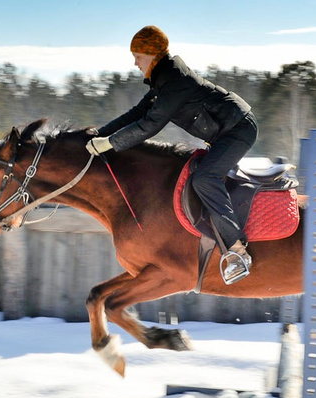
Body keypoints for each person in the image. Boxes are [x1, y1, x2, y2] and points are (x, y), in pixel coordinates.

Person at [85, 25, 258, 285]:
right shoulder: (163, 80)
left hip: (239, 129)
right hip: (226, 131)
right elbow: (137, 114)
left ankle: (236, 249)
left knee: (205, 179)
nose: (135, 63)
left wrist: (110, 143)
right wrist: (98, 135)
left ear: (152, 55)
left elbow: (150, 125)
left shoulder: (175, 81)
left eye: (138, 57)